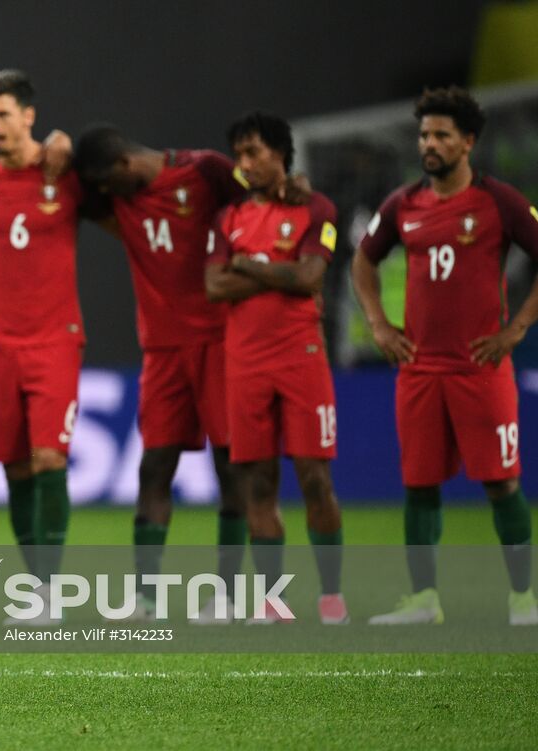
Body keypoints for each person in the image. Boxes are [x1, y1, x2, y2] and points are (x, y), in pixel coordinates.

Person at [354, 86, 537, 626]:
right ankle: (424, 600)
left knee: (501, 481)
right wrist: (378, 324)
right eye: (424, 134)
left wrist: (517, 327)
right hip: (419, 369)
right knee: (419, 483)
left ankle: (525, 597)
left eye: (441, 135)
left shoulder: (499, 201)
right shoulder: (401, 204)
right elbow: (362, 263)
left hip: (480, 368)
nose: (428, 143)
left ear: (468, 142)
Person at [71, 125, 251, 618]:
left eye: (108, 184)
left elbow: (262, 210)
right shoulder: (121, 198)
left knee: (231, 467)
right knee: (154, 467)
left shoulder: (207, 171)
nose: (105, 198)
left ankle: (231, 593)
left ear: (125, 167)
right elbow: (73, 195)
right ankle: (147, 596)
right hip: (162, 351)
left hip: (220, 341)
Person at [204, 111, 347, 625]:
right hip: (244, 363)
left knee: (314, 478)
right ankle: (273, 600)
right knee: (258, 485)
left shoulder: (317, 209)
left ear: (281, 155)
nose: (244, 164)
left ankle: (331, 595)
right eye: (239, 155)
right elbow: (213, 286)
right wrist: (274, 273)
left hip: (301, 357)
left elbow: (310, 277)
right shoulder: (227, 218)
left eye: (254, 153)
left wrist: (249, 264)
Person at [0, 69, 82, 594]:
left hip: (55, 338)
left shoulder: (67, 172)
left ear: (28, 116)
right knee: (14, 467)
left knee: (49, 456)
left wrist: (69, 143)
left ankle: (50, 587)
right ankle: (36, 583)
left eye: (3, 114)